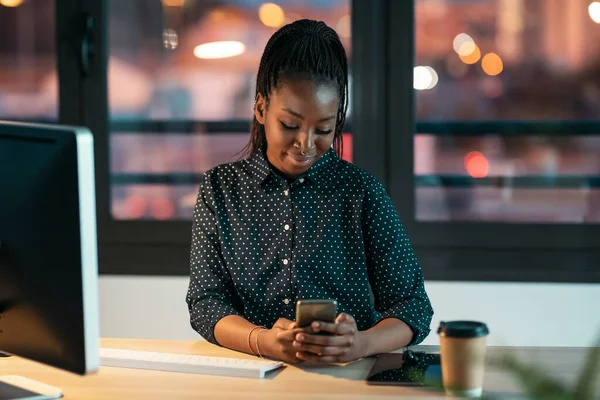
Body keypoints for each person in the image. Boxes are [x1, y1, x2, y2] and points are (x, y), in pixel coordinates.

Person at [186, 19, 433, 364]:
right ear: (260, 109)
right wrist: (263, 341)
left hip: (349, 378)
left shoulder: (362, 193)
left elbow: (413, 306)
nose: (305, 144)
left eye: (324, 129)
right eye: (289, 125)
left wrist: (360, 343)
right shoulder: (220, 189)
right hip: (253, 377)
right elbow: (206, 303)